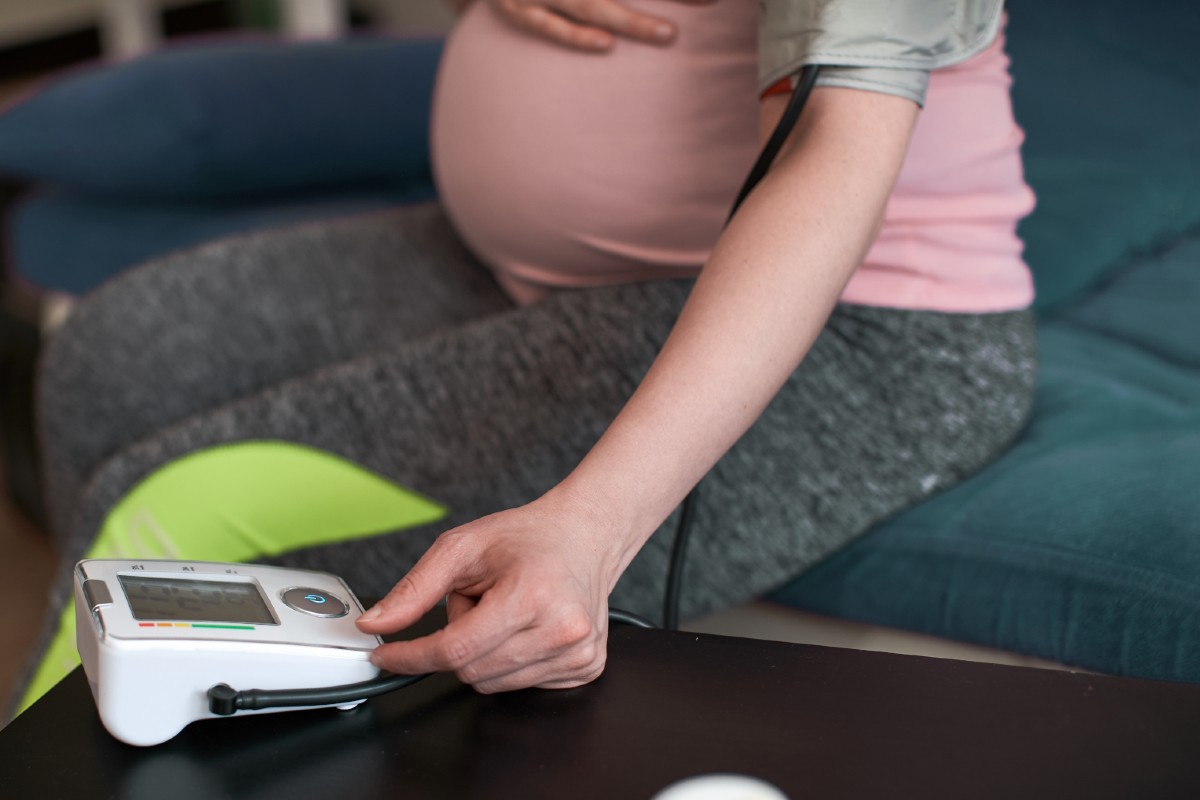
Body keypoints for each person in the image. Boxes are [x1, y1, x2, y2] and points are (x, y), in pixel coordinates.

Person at [36, 0, 1035, 699]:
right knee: (121, 353)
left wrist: (591, 529)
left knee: (171, 511)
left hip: (853, 323)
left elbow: (835, 150)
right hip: (546, 263)